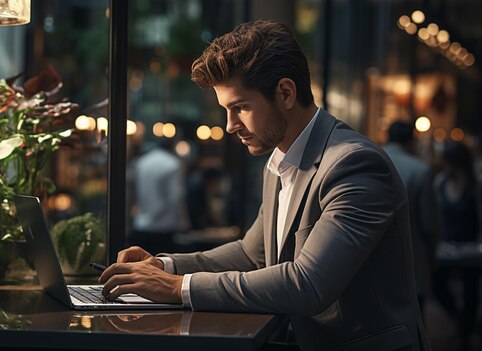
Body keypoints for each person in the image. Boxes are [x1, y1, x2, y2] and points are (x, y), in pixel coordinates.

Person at [99, 20, 430, 350]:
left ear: (285, 93)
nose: (230, 126)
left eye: (241, 107)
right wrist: (163, 265)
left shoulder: (354, 164)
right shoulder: (278, 163)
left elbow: (308, 284)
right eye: (226, 110)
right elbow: (250, 253)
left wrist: (177, 286)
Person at [382, 121, 440, 316]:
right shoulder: (420, 170)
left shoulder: (367, 160)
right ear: (410, 141)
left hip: (370, 259)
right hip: (411, 259)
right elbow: (429, 223)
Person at [432, 141, 481, 350]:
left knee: (471, 293)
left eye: (448, 161)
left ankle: (465, 336)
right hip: (446, 247)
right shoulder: (441, 182)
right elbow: (434, 215)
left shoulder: (474, 186)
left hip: (470, 248)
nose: (444, 165)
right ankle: (458, 318)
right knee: (437, 282)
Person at [129, 140, 188, 255]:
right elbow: (176, 197)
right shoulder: (172, 163)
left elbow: (132, 192)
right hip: (164, 228)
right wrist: (183, 223)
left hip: (141, 225)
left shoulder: (141, 162)